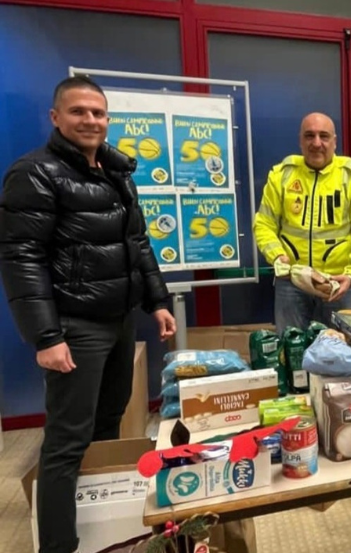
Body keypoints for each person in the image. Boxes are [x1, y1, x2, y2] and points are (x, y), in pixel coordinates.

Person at [0, 76, 177, 553]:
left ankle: (103, 534)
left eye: (98, 113)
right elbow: (21, 258)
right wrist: (45, 336)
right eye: (78, 112)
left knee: (109, 424)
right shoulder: (34, 173)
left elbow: (137, 242)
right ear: (55, 117)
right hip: (74, 328)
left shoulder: (116, 171)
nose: (90, 120)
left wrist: (157, 301)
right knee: (66, 444)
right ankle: (59, 545)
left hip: (118, 320)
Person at [253, 112, 351, 332]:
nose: (317, 143)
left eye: (324, 136)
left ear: (334, 142)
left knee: (341, 356)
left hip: (338, 284)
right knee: (291, 354)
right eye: (309, 136)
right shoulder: (282, 176)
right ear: (300, 140)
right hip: (291, 283)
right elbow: (263, 224)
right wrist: (277, 256)